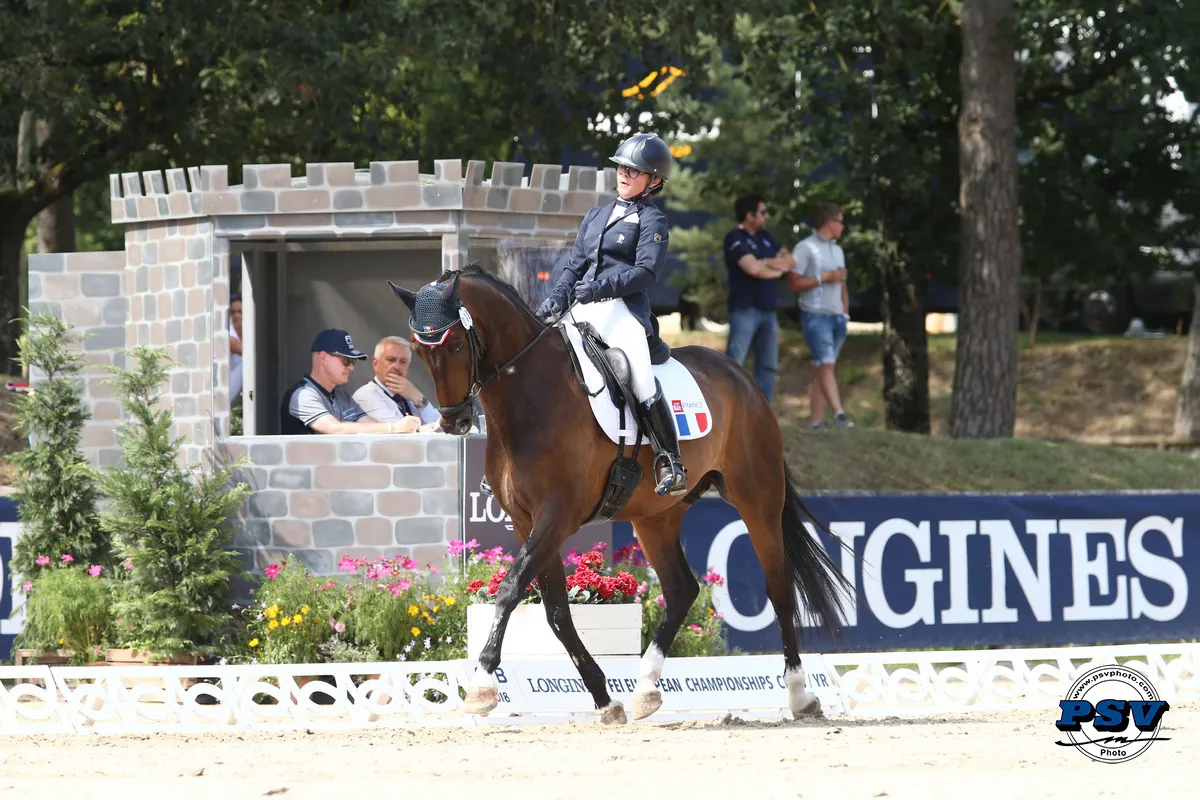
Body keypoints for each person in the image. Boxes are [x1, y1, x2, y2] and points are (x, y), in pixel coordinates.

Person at [536, 132, 686, 496]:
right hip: (581, 306)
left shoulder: (653, 220)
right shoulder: (596, 215)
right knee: (536, 358)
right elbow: (574, 265)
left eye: (634, 171)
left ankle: (670, 459)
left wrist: (600, 288)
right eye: (621, 167)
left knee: (640, 377)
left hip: (621, 310)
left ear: (654, 181)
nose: (624, 174)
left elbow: (646, 272)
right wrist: (556, 297)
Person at [787, 202, 854, 429]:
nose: (843, 227)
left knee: (820, 368)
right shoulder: (805, 248)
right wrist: (823, 278)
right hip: (816, 316)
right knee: (826, 365)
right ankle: (840, 414)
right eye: (840, 222)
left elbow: (842, 283)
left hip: (837, 317)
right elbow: (793, 283)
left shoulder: (838, 250)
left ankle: (816, 421)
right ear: (829, 222)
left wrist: (845, 313)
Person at [280, 329, 421, 435]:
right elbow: (335, 429)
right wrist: (394, 427)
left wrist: (414, 429)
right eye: (346, 360)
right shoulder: (303, 394)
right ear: (323, 357)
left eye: (353, 361)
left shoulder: (342, 396)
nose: (351, 367)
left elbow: (370, 427)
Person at [723, 194, 795, 402]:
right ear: (750, 215)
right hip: (744, 310)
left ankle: (763, 412)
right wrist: (776, 267)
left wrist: (765, 262)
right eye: (763, 212)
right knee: (734, 364)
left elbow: (790, 261)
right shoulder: (735, 238)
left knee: (768, 366)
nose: (767, 216)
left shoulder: (766, 237)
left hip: (768, 311)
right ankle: (730, 408)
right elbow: (753, 269)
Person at [352, 336, 441, 432]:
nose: (397, 367)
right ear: (375, 363)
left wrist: (417, 397)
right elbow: (401, 432)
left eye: (403, 362)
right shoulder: (366, 395)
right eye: (391, 360)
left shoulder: (407, 392)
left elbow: (439, 425)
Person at [229, 294, 243, 407]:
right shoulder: (228, 333)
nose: (236, 315)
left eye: (240, 311)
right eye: (233, 312)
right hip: (230, 387)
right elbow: (244, 351)